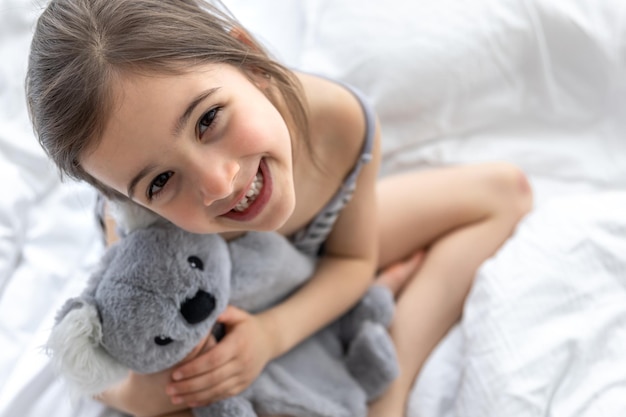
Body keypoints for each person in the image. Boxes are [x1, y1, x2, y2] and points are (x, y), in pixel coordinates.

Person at [26, 0, 533, 416]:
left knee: (504, 193)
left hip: (307, 256)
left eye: (208, 120)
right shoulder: (144, 232)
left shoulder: (339, 121)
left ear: (248, 62)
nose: (219, 183)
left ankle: (389, 393)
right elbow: (108, 375)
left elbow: (351, 260)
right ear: (124, 202)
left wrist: (272, 335)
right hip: (229, 293)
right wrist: (148, 391)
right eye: (160, 181)